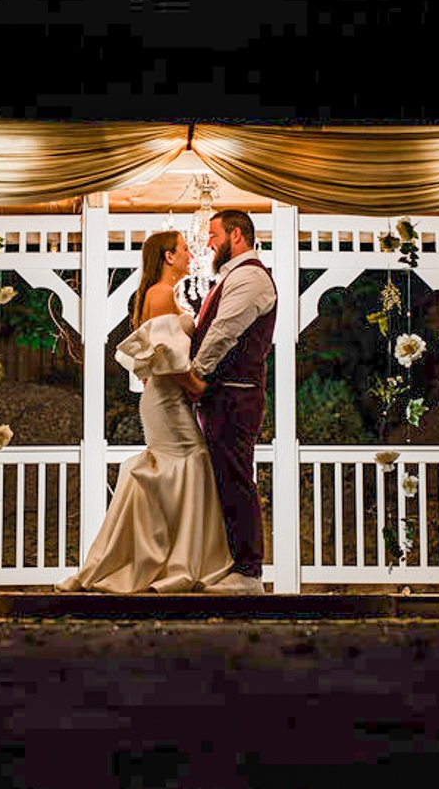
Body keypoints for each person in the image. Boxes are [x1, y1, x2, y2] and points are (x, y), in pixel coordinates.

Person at [56, 230, 234, 593]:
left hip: (162, 397)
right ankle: (179, 563)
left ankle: (160, 557)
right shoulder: (160, 294)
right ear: (168, 257)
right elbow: (168, 354)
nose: (191, 255)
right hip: (168, 398)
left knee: (173, 470)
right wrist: (197, 387)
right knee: (193, 462)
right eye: (185, 250)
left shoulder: (156, 294)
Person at [185, 210, 277, 595]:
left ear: (236, 235)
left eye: (213, 234)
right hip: (226, 395)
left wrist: (197, 374)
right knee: (225, 478)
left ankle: (248, 572)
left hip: (235, 394)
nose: (208, 242)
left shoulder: (252, 278)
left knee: (237, 478)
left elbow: (225, 332)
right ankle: (230, 564)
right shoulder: (233, 277)